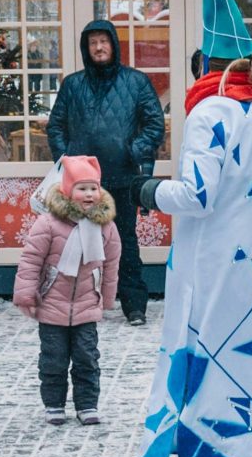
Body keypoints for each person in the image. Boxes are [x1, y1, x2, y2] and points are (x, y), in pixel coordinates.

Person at [135, 55, 252, 457]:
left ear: (205, 67)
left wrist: (148, 191)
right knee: (249, 375)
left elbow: (198, 195)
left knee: (203, 371)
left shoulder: (209, 112)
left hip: (215, 262)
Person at [44, 19, 165, 326]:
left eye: (103, 41)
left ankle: (134, 306)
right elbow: (55, 126)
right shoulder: (73, 85)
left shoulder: (136, 82)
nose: (98, 47)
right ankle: (79, 304)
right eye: (93, 42)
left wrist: (134, 149)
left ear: (113, 44)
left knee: (124, 243)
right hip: (80, 182)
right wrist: (67, 159)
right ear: (86, 48)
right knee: (74, 243)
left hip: (122, 177)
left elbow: (154, 124)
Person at [13, 156, 122, 426]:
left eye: (93, 188)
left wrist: (107, 298)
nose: (89, 194)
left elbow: (111, 264)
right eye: (82, 188)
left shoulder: (105, 226)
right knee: (53, 360)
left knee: (87, 359)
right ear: (67, 190)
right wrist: (26, 295)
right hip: (52, 305)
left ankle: (87, 404)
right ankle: (54, 404)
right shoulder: (48, 223)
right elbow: (31, 261)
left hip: (86, 305)